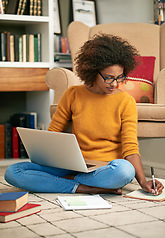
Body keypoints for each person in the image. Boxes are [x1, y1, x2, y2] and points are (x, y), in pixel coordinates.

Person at [5, 34, 164, 195]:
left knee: (125, 171)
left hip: (105, 170)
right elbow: (53, 133)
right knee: (14, 171)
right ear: (93, 71)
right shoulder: (73, 94)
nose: (115, 84)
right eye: (108, 78)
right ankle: (83, 187)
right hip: (71, 165)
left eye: (119, 77)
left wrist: (143, 182)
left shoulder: (125, 101)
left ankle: (63, 183)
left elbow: (130, 148)